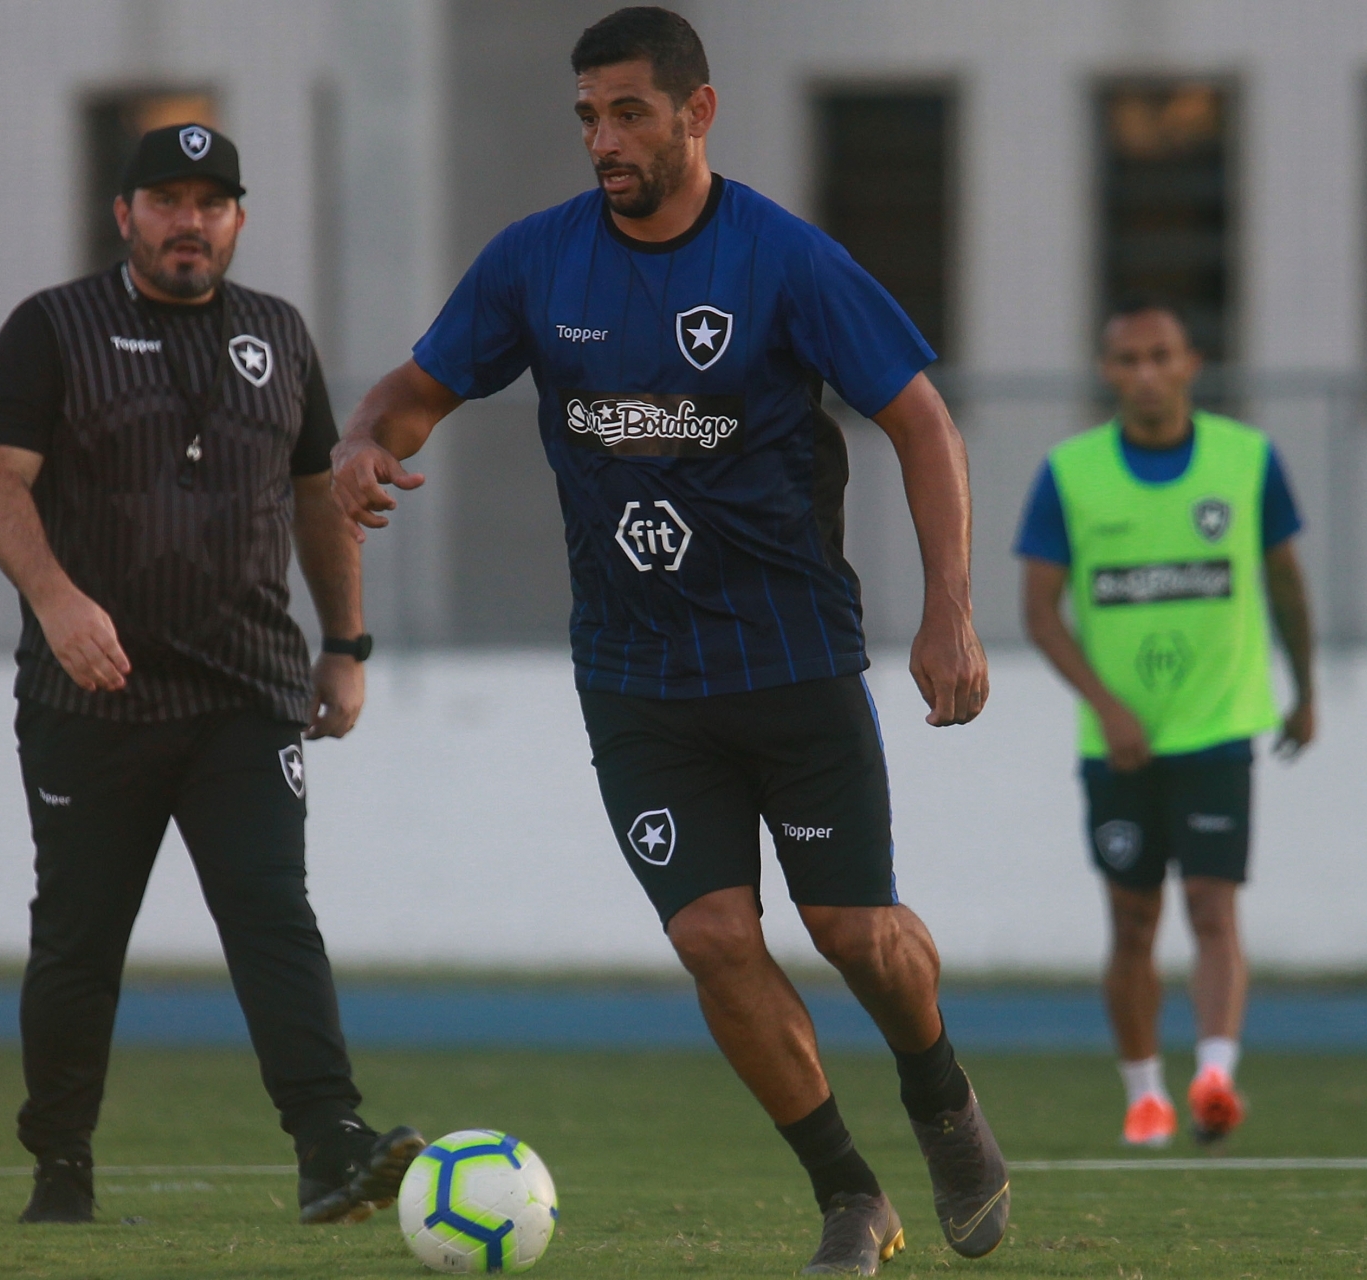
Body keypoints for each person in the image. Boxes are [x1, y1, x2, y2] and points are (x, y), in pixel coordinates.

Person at [329, 9, 1007, 1274]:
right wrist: (366, 445)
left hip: (794, 658)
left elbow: (922, 420)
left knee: (856, 933)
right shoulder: (534, 265)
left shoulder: (783, 260)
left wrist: (949, 610)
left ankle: (944, 1100)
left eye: (628, 112)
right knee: (711, 937)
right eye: (587, 116)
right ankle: (850, 1193)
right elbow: (410, 397)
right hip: (637, 676)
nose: (603, 139)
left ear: (698, 113)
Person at [0, 123, 421, 1227]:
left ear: (237, 221)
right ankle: (61, 1165)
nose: (189, 220)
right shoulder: (52, 329)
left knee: (272, 911)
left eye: (211, 203)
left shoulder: (279, 333)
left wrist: (345, 643)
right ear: (125, 215)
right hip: (92, 695)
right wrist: (57, 600)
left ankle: (330, 1144)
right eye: (166, 199)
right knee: (80, 936)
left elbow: (319, 497)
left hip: (246, 691)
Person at [1015, 299, 1317, 1148]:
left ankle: (1215, 1077)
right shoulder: (1070, 474)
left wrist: (1307, 690)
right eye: (1127, 361)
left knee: (1214, 908)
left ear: (1190, 363)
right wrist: (1108, 709)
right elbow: (1040, 613)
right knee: (1134, 923)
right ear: (1107, 373)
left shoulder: (1247, 461)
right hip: (1117, 746)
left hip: (1219, 728)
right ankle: (1144, 1095)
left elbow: (1288, 584)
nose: (1145, 374)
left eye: (1160, 356)